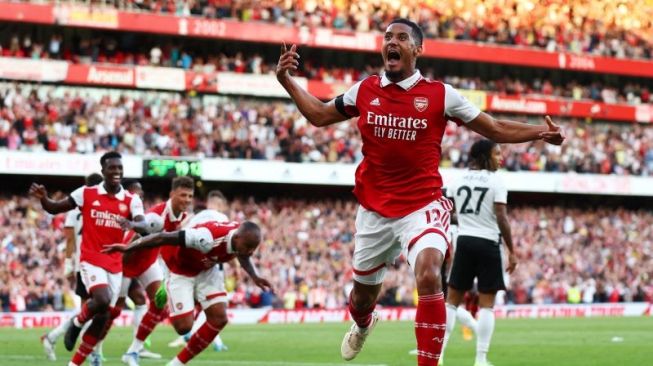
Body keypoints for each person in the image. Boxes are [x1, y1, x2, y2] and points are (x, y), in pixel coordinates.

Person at [276, 18, 564, 366]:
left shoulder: (441, 95)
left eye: (400, 37)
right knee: (362, 299)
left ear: (417, 49)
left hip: (422, 205)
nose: (391, 42)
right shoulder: (365, 90)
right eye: (386, 37)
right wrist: (286, 81)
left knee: (429, 272)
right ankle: (363, 323)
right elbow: (320, 115)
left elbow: (495, 126)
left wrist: (540, 132)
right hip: (374, 211)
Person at [29, 151, 150, 366]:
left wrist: (132, 224)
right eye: (112, 168)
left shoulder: (131, 200)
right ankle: (76, 323)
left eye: (120, 168)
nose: (117, 172)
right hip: (91, 258)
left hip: (115, 262)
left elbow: (143, 224)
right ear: (103, 170)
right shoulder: (86, 193)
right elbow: (55, 208)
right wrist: (44, 198)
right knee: (102, 300)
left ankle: (75, 362)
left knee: (104, 316)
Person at [103, 220, 272, 366]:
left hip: (206, 270)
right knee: (183, 327)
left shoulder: (241, 238)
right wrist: (128, 247)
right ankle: (173, 292)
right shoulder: (205, 238)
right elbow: (163, 237)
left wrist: (255, 276)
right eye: (248, 247)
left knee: (220, 319)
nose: (250, 252)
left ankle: (176, 364)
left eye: (253, 249)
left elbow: (242, 254)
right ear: (236, 238)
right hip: (180, 270)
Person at [441, 139, 517, 366]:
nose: (500, 158)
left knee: (451, 302)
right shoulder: (496, 181)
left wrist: (464, 220)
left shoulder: (457, 179)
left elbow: (447, 210)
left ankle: (438, 354)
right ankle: (480, 359)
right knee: (487, 305)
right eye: (496, 153)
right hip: (488, 244)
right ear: (484, 156)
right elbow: (502, 217)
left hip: (464, 242)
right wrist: (511, 250)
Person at [120, 176, 195, 366]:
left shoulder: (186, 219)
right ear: (172, 194)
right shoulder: (156, 216)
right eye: (182, 195)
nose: (186, 200)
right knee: (108, 311)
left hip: (148, 263)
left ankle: (133, 351)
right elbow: (132, 240)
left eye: (189, 196)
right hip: (125, 261)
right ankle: (80, 340)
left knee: (159, 302)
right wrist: (119, 264)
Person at [41, 172, 103, 362]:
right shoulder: (87, 207)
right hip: (89, 264)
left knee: (94, 312)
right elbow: (70, 240)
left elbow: (69, 240)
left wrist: (69, 266)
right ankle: (94, 354)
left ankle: (54, 338)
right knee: (95, 312)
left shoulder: (75, 209)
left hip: (87, 265)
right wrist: (69, 266)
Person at [167, 190, 234, 352]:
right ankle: (193, 333)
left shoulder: (193, 218)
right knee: (211, 307)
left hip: (189, 265)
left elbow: (179, 234)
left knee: (211, 309)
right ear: (219, 204)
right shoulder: (221, 219)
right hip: (208, 266)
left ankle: (212, 340)